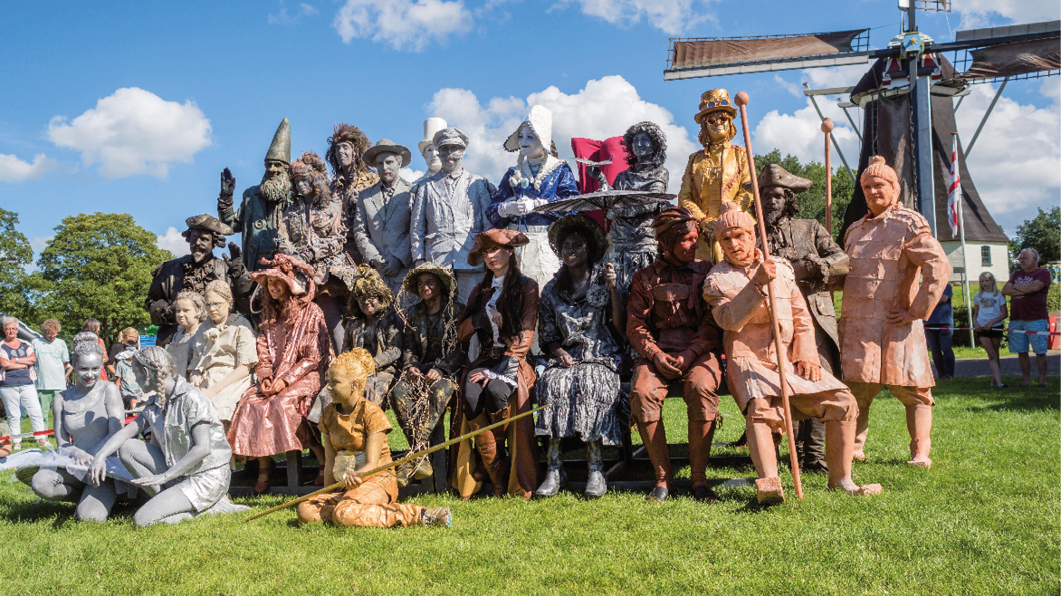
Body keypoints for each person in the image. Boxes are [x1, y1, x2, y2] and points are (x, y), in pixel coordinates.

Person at [703, 202, 882, 504]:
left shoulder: (782, 268)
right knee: (761, 409)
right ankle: (770, 483)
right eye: (725, 239)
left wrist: (808, 353)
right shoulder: (717, 280)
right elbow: (728, 320)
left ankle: (840, 480)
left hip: (790, 357)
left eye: (739, 235)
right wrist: (757, 284)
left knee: (843, 402)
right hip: (748, 357)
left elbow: (800, 315)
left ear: (752, 234)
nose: (733, 245)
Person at [840, 156, 952, 468]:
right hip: (859, 326)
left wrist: (916, 310)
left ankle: (919, 454)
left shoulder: (908, 224)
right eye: (867, 186)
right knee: (857, 390)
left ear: (894, 188)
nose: (873, 191)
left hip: (896, 324)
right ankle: (853, 450)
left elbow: (938, 266)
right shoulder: (853, 231)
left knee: (914, 390)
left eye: (879, 185)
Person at [627, 207, 723, 503]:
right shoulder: (645, 278)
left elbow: (712, 321)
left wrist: (691, 353)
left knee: (701, 387)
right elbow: (636, 325)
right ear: (666, 243)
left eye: (695, 239)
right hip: (659, 352)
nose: (693, 245)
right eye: (685, 240)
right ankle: (662, 479)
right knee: (642, 392)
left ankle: (699, 480)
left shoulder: (707, 271)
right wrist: (655, 356)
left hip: (699, 352)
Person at [88, 347, 247, 526]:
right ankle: (172, 502)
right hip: (179, 472)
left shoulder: (192, 398)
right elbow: (126, 432)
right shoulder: (156, 402)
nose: (135, 379)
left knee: (143, 520)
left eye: (135, 373)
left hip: (206, 476)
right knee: (127, 448)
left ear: (147, 372)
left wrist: (165, 476)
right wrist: (100, 456)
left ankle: (207, 510)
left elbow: (203, 448)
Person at [758, 164, 849, 473]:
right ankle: (794, 452)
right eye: (766, 195)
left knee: (818, 379)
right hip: (775, 318)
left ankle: (816, 454)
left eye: (779, 196)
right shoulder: (755, 235)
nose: (772, 201)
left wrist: (819, 267)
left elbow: (842, 260)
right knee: (785, 381)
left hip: (814, 312)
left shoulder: (810, 228)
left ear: (789, 200)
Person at [296, 349, 451, 528]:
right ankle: (360, 512)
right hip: (349, 485)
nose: (329, 387)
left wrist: (358, 476)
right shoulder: (328, 415)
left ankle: (422, 515)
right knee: (306, 509)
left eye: (335, 382)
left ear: (354, 384)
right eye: (328, 381)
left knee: (343, 513)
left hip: (377, 480)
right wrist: (328, 494)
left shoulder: (371, 413)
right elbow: (330, 463)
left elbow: (372, 464)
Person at [534, 215, 626, 499]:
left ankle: (596, 467)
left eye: (577, 245)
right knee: (553, 385)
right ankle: (554, 467)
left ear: (590, 249)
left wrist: (614, 289)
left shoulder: (605, 278)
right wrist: (559, 352)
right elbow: (547, 335)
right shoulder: (551, 289)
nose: (571, 250)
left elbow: (621, 328)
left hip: (602, 352)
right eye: (566, 246)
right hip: (567, 356)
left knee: (592, 381)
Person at [227, 254, 332, 494]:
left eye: (277, 281)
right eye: (268, 283)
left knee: (284, 404)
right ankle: (266, 466)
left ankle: (322, 459)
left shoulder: (311, 311)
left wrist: (285, 380)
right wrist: (264, 376)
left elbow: (313, 357)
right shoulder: (269, 314)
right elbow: (262, 351)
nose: (273, 286)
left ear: (289, 283)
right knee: (250, 402)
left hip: (308, 375)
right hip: (274, 377)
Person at [450, 229, 540, 499]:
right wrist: (480, 319)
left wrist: (503, 366)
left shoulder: (527, 287)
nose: (490, 257)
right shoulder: (480, 291)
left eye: (495, 250)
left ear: (509, 253)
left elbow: (526, 332)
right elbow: (460, 332)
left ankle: (494, 470)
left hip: (515, 358)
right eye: (486, 252)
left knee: (495, 390)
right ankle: (496, 469)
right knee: (469, 392)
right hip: (487, 356)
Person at [488, 105, 580, 297]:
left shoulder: (559, 169)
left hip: (548, 242)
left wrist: (538, 205)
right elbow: (492, 211)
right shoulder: (513, 173)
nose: (523, 141)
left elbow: (572, 205)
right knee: (515, 298)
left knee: (545, 293)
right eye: (521, 136)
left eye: (530, 136)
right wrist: (506, 208)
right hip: (515, 243)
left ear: (542, 139)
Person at [29, 340, 126, 521]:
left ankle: (107, 497)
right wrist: (77, 453)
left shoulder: (109, 390)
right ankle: (81, 497)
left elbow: (117, 434)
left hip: (106, 468)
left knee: (90, 518)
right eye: (84, 369)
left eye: (95, 369)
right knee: (40, 482)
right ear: (74, 366)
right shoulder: (61, 399)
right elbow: (62, 443)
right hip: (74, 465)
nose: (90, 375)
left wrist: (96, 455)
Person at [391, 263, 467, 486]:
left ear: (440, 285)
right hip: (421, 370)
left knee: (439, 390)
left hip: (450, 370)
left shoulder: (456, 310)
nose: (425, 287)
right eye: (421, 283)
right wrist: (411, 366)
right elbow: (409, 348)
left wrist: (442, 369)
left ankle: (416, 454)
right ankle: (421, 456)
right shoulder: (413, 313)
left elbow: (461, 348)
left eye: (430, 282)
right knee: (398, 393)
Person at [279, 151, 356, 351]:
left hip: (327, 274)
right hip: (298, 276)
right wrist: (293, 256)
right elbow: (282, 238)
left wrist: (311, 254)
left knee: (334, 325)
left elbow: (337, 239)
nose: (301, 185)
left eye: (304, 180)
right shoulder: (290, 211)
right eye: (296, 182)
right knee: (301, 328)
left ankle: (345, 366)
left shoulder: (332, 206)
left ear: (316, 180)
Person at [410, 127, 496, 301]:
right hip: (437, 260)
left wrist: (488, 254)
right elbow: (417, 227)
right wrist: (419, 259)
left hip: (471, 258)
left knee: (471, 311)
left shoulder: (478, 183)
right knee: (440, 312)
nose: (449, 154)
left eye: (454, 149)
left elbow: (488, 225)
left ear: (463, 151)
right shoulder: (425, 187)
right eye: (444, 149)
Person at [590, 121, 670, 304]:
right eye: (635, 141)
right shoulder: (622, 176)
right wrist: (600, 179)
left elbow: (649, 204)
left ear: (654, 144)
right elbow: (611, 201)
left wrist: (619, 208)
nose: (639, 144)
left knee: (643, 298)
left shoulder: (660, 173)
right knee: (615, 298)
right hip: (618, 247)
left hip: (643, 247)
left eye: (645, 140)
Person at [146, 214, 252, 347]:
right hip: (175, 342)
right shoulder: (169, 269)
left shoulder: (227, 270)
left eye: (204, 239)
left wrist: (239, 277)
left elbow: (247, 307)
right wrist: (168, 311)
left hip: (216, 344)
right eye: (194, 238)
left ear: (214, 243)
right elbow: (152, 301)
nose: (197, 243)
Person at [677, 89, 753, 263]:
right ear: (704, 124)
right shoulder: (695, 159)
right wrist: (703, 220)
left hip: (734, 229)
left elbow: (749, 190)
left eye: (723, 118)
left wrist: (728, 219)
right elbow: (684, 197)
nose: (717, 122)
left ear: (730, 122)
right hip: (701, 232)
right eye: (711, 119)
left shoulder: (742, 154)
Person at [218, 118, 297, 272]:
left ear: (286, 169)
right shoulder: (251, 195)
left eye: (277, 165)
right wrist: (226, 198)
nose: (272, 169)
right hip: (254, 267)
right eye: (269, 164)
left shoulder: (295, 198)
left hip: (285, 268)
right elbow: (230, 225)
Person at [193, 279, 257, 431]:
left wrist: (213, 390)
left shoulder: (241, 325)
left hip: (233, 378)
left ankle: (228, 454)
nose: (212, 309)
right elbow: (197, 361)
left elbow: (244, 367)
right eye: (208, 304)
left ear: (229, 302)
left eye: (217, 303)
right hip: (207, 377)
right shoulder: (203, 327)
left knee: (219, 411)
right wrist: (195, 376)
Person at [353, 139, 414, 293]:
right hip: (377, 275)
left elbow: (416, 229)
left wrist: (399, 259)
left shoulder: (413, 191)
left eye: (389, 162)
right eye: (380, 163)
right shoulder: (365, 196)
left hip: (405, 272)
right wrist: (374, 258)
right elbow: (360, 232)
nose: (385, 167)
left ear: (399, 163)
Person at [341, 267, 403, 407]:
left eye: (371, 297)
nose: (366, 302)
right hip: (355, 370)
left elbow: (395, 350)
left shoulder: (391, 320)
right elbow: (346, 350)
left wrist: (371, 364)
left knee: (368, 389)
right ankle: (330, 427)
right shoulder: (353, 323)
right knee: (333, 389)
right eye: (361, 298)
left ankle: (371, 427)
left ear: (381, 297)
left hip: (385, 372)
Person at [325, 122, 378, 265]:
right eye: (337, 149)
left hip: (366, 250)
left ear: (355, 153)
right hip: (337, 252)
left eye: (345, 147)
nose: (341, 151)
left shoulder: (371, 182)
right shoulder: (331, 188)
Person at [1002, 248, 1051, 387]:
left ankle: (1042, 381)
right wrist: (1026, 288)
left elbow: (1035, 288)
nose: (1021, 261)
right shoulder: (1016, 273)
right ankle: (1026, 381)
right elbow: (1005, 290)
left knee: (1040, 351)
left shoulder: (1043, 273)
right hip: (1016, 318)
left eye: (1025, 258)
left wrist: (1016, 288)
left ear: (1034, 260)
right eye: (1020, 258)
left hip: (1036, 318)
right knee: (1021, 351)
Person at [0, 317, 47, 450]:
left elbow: (32, 359)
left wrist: (14, 360)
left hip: (27, 383)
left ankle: (41, 439)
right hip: (8, 384)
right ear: (4, 330)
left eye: (13, 329)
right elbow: (4, 364)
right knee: (13, 414)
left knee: (35, 411)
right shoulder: (1, 345)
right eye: (8, 329)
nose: (11, 331)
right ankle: (16, 442)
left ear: (17, 330)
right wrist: (22, 364)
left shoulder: (26, 344)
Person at [973, 271, 1008, 388]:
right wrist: (975, 323)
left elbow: (1004, 314)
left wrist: (992, 322)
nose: (984, 283)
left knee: (995, 354)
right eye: (982, 281)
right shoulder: (978, 296)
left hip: (996, 327)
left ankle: (994, 381)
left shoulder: (999, 295)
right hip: (982, 328)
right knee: (991, 354)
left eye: (987, 280)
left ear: (992, 281)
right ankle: (999, 383)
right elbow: (976, 313)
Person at [31, 318, 71, 418]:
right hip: (42, 385)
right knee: (42, 415)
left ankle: (61, 433)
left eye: (54, 333)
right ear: (45, 332)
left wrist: (56, 370)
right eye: (50, 334)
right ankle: (43, 434)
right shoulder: (36, 342)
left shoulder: (61, 343)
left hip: (59, 385)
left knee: (61, 414)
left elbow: (66, 362)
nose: (52, 336)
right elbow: (31, 360)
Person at [166, 290, 208, 381]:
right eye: (178, 311)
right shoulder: (178, 335)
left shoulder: (203, 333)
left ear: (199, 311)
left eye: (186, 310)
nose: (180, 314)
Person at [924, 285, 955, 380]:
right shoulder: (925, 287)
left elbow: (944, 299)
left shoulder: (946, 286)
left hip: (944, 323)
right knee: (935, 350)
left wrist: (928, 299)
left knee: (946, 349)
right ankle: (941, 374)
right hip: (928, 322)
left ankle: (949, 374)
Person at [108, 328, 143, 410]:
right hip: (125, 385)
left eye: (135, 337)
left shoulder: (135, 348)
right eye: (133, 337)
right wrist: (118, 374)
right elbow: (109, 363)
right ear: (127, 336)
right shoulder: (117, 347)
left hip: (136, 385)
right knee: (132, 403)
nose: (134, 339)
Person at [411, 117, 448, 187]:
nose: (434, 154)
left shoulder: (460, 183)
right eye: (429, 150)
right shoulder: (416, 186)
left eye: (438, 149)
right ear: (424, 155)